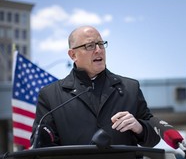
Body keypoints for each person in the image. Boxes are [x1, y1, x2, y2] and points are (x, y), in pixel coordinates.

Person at [30, 25, 160, 148]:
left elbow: (155, 136)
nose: (98, 50)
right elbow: (42, 144)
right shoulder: (50, 95)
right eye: (90, 46)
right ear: (73, 55)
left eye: (101, 44)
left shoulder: (130, 88)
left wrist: (140, 128)